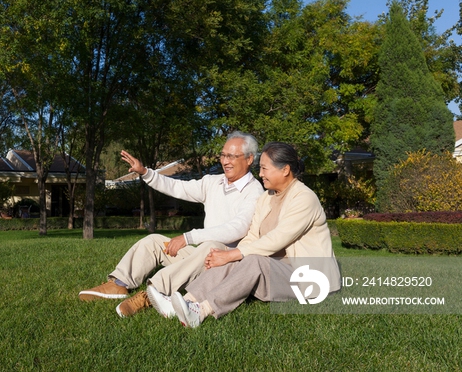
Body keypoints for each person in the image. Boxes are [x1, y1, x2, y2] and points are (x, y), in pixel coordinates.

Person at [147, 141, 341, 327]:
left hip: (308, 277)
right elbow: (252, 237)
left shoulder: (304, 198)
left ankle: (202, 310)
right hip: (275, 269)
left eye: (265, 168)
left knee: (251, 259)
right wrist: (227, 257)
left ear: (285, 170)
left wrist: (233, 254)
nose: (260, 174)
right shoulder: (266, 198)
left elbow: (278, 238)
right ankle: (183, 302)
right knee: (234, 257)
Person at [78, 131, 264, 318]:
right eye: (223, 155)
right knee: (154, 241)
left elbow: (237, 228)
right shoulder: (213, 182)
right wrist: (145, 172)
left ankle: (151, 294)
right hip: (201, 254)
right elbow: (178, 187)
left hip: (223, 261)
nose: (225, 161)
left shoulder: (254, 191)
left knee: (212, 246)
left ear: (249, 159)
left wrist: (188, 237)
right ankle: (118, 285)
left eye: (232, 156)